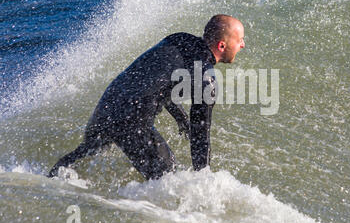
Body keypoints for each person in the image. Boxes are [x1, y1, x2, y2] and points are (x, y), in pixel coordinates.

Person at [48, 15, 245, 180]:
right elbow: (201, 139)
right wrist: (204, 181)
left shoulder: (178, 39)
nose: (242, 45)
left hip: (107, 105)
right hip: (131, 121)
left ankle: (44, 179)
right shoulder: (207, 80)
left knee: (81, 157)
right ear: (221, 45)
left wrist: (181, 118)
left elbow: (158, 79)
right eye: (239, 40)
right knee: (168, 176)